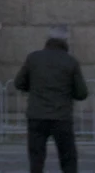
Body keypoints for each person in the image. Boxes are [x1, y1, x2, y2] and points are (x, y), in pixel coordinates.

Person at [11, 28, 89, 173]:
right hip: (61, 117)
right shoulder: (70, 62)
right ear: (65, 42)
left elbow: (18, 83)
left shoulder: (33, 58)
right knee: (68, 158)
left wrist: (33, 88)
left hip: (36, 115)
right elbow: (82, 93)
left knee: (36, 158)